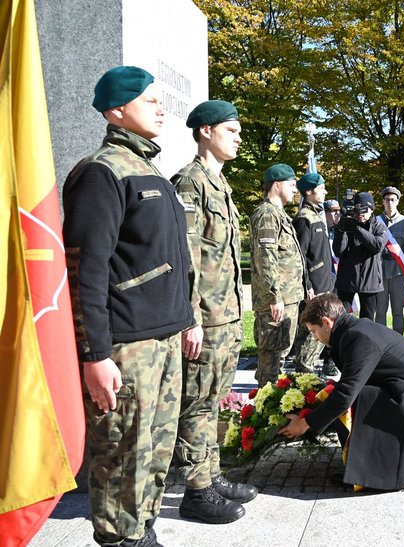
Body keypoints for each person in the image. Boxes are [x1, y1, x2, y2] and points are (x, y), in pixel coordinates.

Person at [63, 66, 195, 546]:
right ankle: (121, 537)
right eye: (148, 100)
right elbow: (85, 270)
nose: (161, 108)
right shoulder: (103, 172)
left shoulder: (148, 168)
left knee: (155, 451)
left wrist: (186, 319)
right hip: (125, 346)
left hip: (162, 338)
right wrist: (94, 354)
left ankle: (142, 529)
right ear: (117, 110)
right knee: (122, 451)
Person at [172, 99, 255, 523]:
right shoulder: (190, 183)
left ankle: (211, 472)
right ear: (206, 131)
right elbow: (184, 259)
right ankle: (196, 491)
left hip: (227, 316)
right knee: (197, 403)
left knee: (213, 399)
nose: (239, 137)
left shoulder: (219, 184)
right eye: (231, 129)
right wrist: (191, 319)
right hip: (205, 318)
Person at [278, 294, 404, 490]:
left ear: (326, 322)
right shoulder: (352, 331)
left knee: (347, 398)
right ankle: (363, 465)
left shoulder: (358, 336)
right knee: (339, 393)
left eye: (314, 331)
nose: (315, 338)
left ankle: (375, 474)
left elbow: (345, 394)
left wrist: (304, 424)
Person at [249, 164, 309, 386]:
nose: (295, 190)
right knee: (271, 360)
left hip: (288, 299)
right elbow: (266, 258)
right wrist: (275, 297)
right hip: (276, 302)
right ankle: (264, 412)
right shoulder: (266, 215)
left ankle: (272, 407)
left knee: (280, 356)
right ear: (277, 185)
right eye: (292, 185)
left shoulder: (279, 214)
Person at [292, 173, 335, 374]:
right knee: (312, 332)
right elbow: (300, 256)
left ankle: (305, 373)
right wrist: (307, 285)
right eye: (321, 187)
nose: (325, 191)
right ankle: (304, 374)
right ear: (309, 192)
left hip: (325, 283)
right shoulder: (303, 218)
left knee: (318, 334)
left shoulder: (317, 214)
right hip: (314, 287)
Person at [333, 191, 387, 320]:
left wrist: (357, 229)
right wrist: (343, 228)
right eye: (358, 209)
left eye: (364, 209)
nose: (361, 213)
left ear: (372, 209)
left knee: (367, 321)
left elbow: (377, 245)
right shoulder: (346, 225)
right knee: (340, 318)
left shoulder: (379, 227)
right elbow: (339, 252)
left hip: (370, 282)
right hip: (347, 280)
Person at [377, 186, 404, 334]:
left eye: (393, 200)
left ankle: (398, 343)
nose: (390, 203)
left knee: (398, 311)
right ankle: (380, 343)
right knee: (380, 311)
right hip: (380, 272)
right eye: (387, 199)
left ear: (398, 201)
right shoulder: (376, 221)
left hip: (399, 272)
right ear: (383, 201)